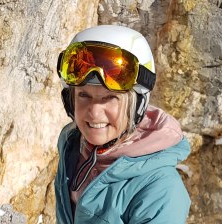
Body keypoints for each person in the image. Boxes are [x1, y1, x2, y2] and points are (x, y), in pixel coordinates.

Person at [55, 25, 191, 224]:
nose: (94, 112)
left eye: (110, 98)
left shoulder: (161, 189)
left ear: (137, 105)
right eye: (84, 95)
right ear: (70, 100)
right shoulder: (71, 146)